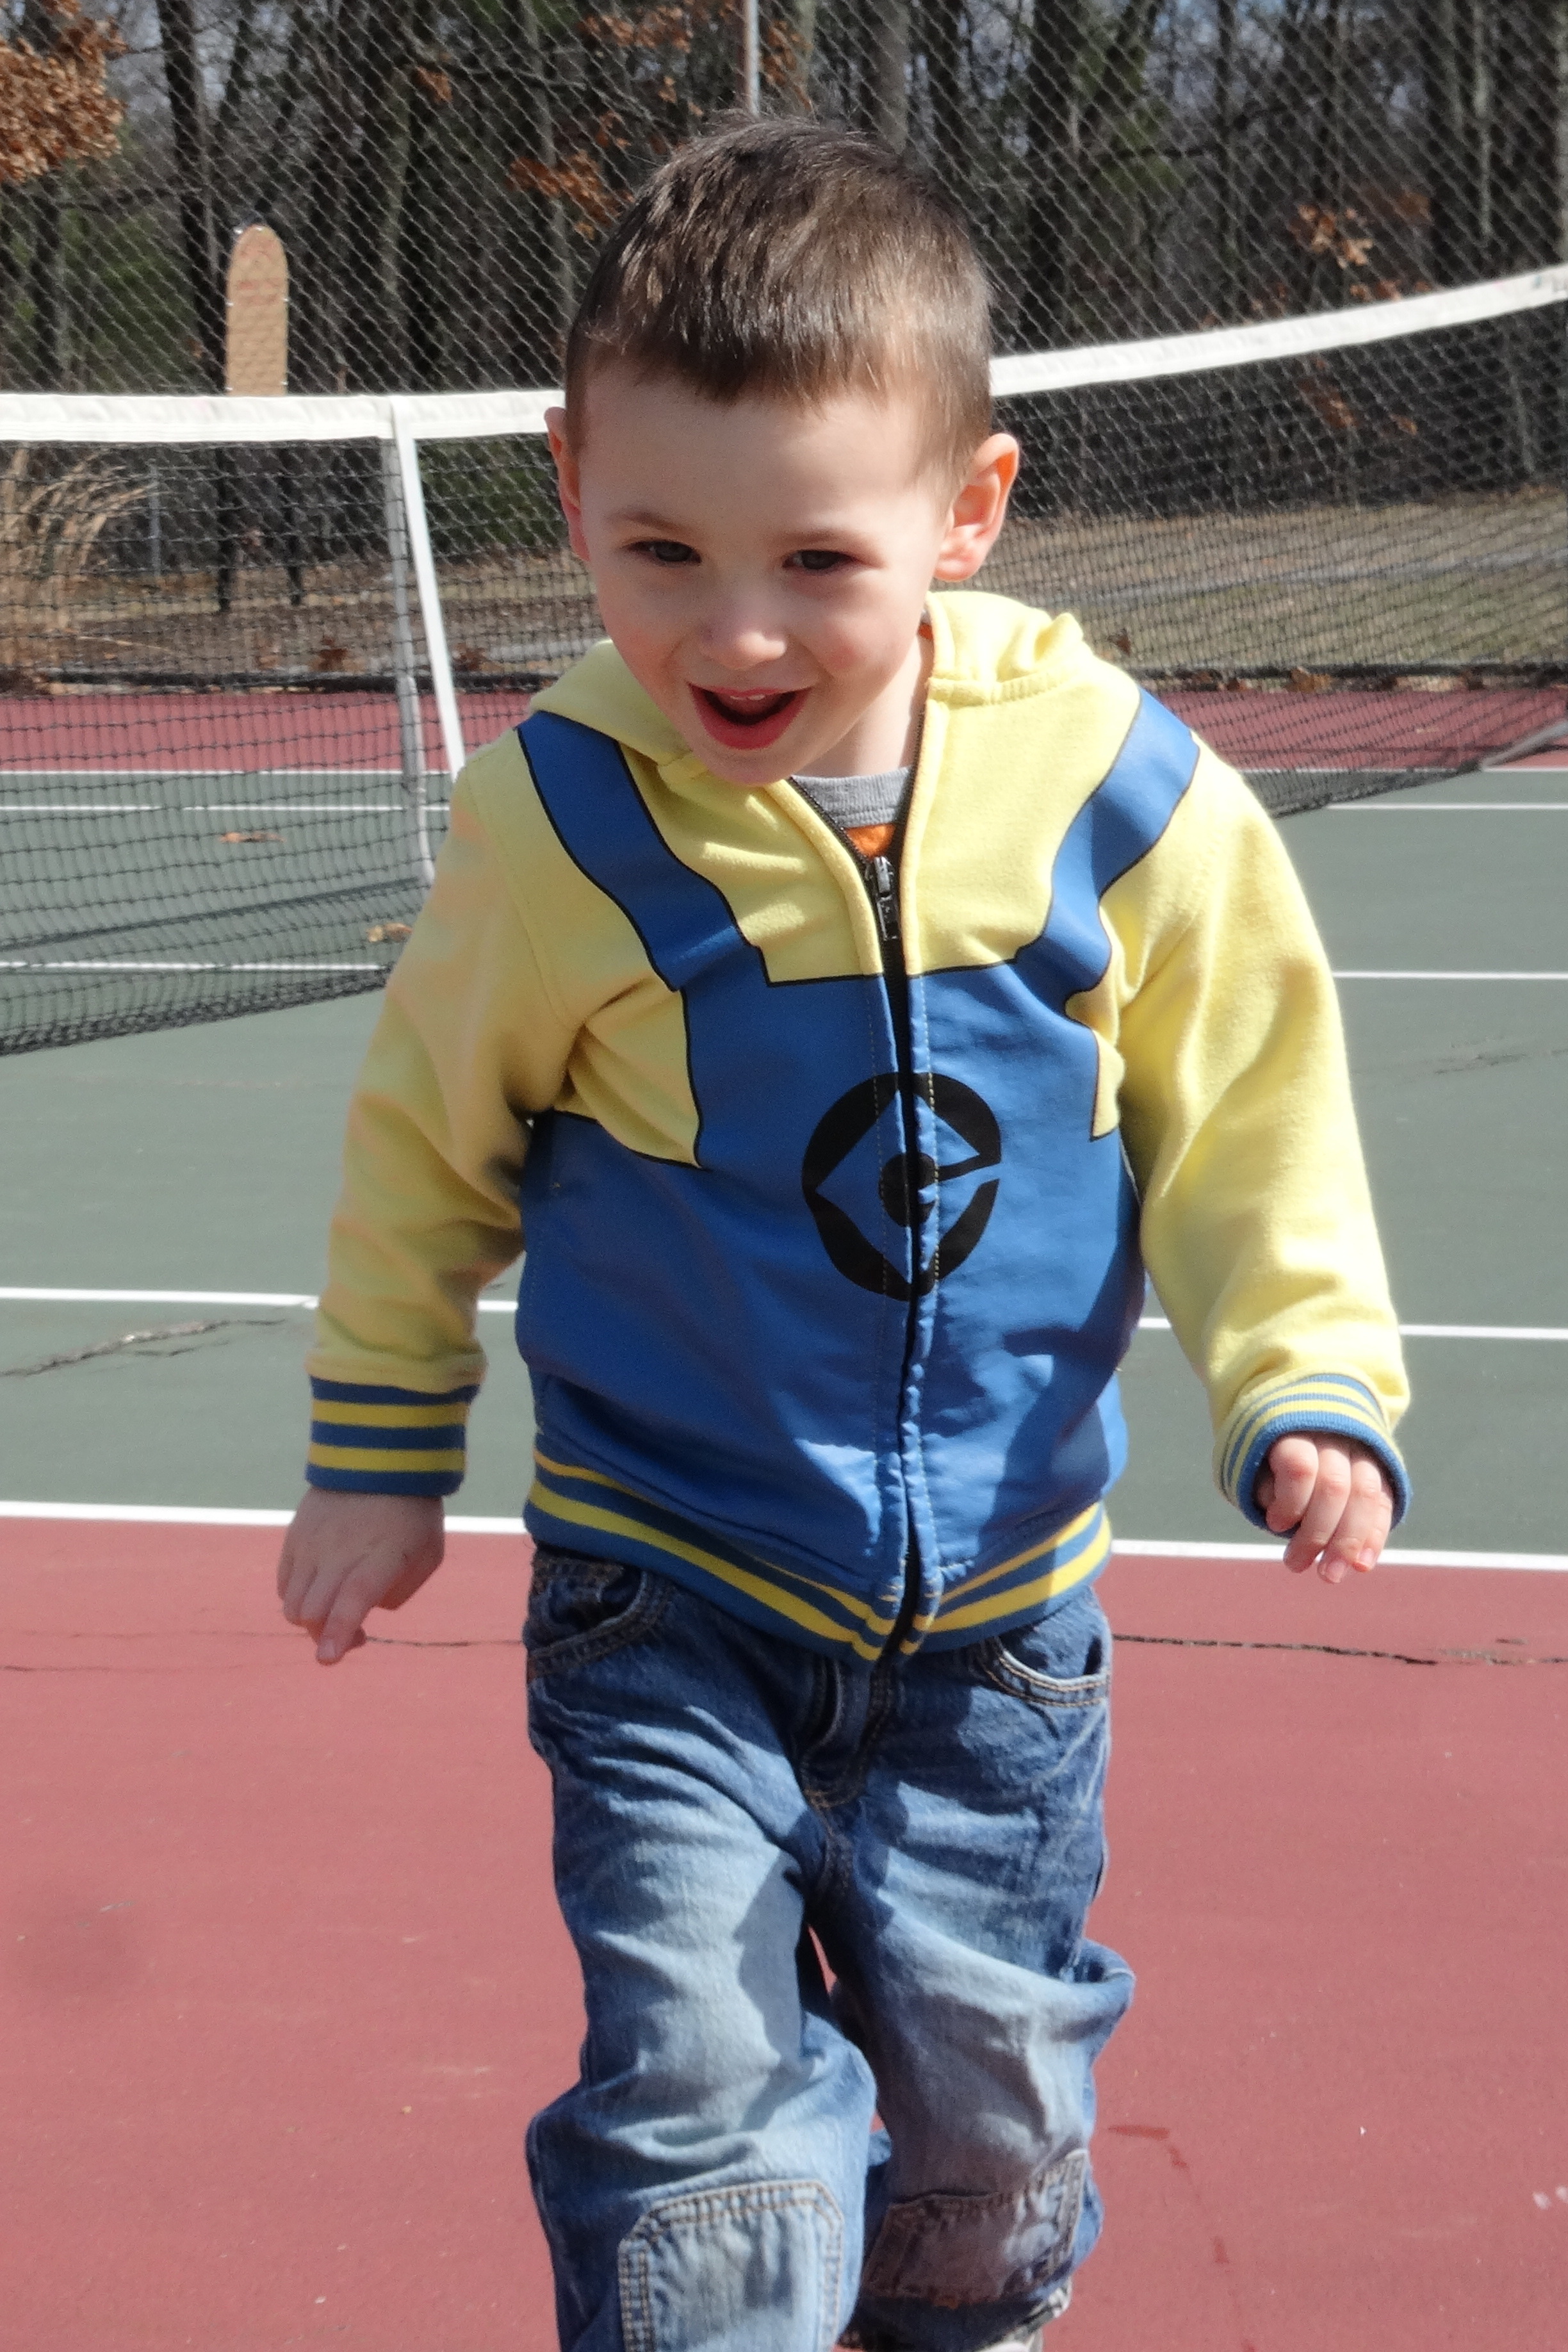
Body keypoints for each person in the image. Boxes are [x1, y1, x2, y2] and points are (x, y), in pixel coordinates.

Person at [277, 117, 1409, 2352]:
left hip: (1002, 1636)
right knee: (704, 2096)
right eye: (660, 549)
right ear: (568, 482)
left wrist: (1306, 1372)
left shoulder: (1117, 794)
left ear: (966, 513)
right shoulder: (564, 822)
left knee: (987, 2136)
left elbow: (1250, 1111)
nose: (733, 629)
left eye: (816, 557)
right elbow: (423, 1146)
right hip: (667, 1591)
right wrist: (377, 1456)